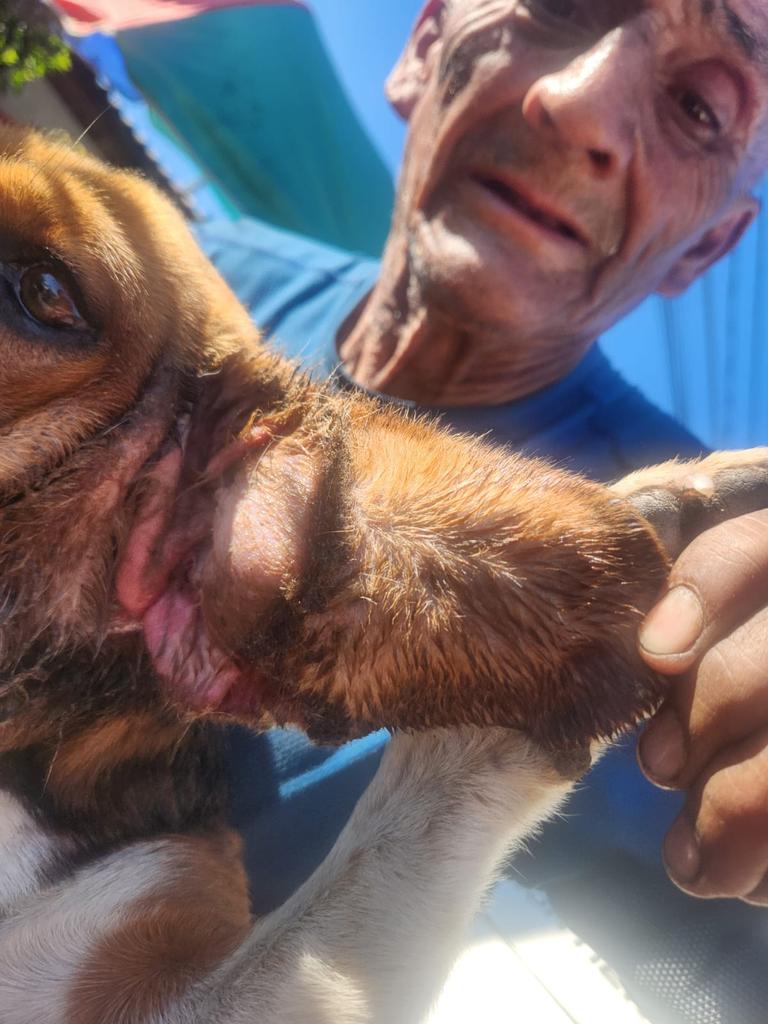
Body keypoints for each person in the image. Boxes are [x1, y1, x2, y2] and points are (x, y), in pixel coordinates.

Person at [197, 0, 768, 1017]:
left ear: (706, 249)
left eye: (696, 105)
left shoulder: (689, 570)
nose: (576, 106)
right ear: (423, 47)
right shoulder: (188, 284)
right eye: (553, 7)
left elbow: (710, 963)